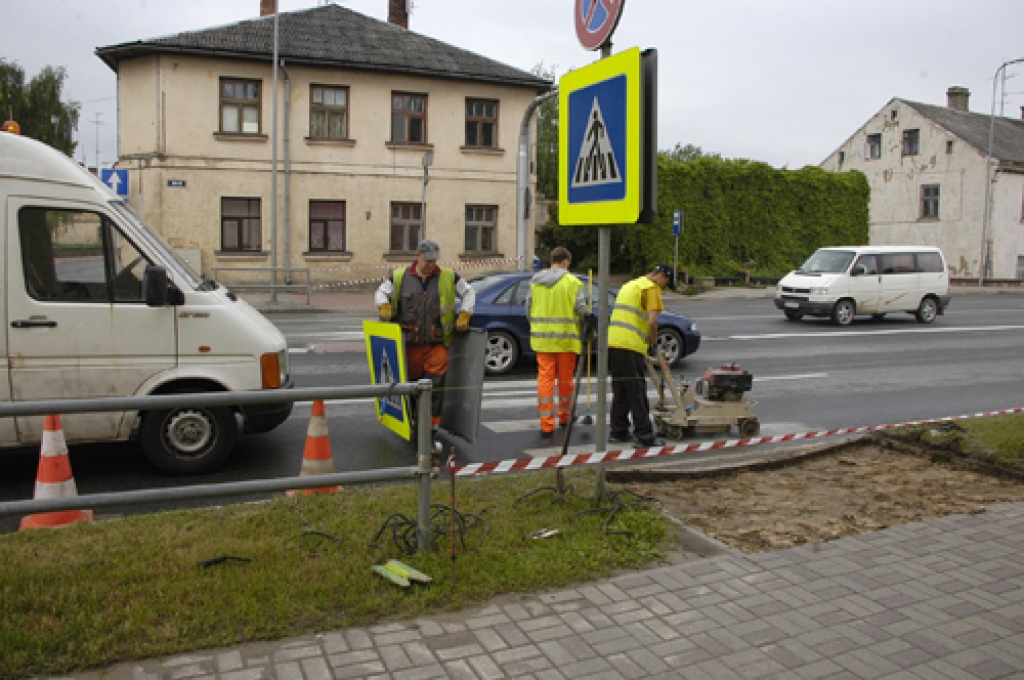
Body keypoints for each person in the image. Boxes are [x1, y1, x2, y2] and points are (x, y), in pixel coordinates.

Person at [375, 239, 475, 444]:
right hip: (409, 345)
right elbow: (381, 292)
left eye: (434, 260)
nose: (432, 264)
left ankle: (429, 432)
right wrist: (384, 306)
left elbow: (469, 292)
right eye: (428, 260)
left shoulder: (448, 276)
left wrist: (465, 313)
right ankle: (413, 423)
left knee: (433, 388)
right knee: (411, 388)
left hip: (437, 344)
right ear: (417, 256)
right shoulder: (400, 277)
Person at [607, 264, 675, 447]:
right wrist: (653, 344)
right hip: (631, 344)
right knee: (637, 391)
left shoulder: (631, 285)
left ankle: (618, 430)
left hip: (614, 342)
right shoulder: (651, 288)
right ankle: (644, 435)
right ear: (661, 276)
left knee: (621, 389)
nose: (664, 288)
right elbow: (652, 321)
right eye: (666, 284)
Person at [527, 246, 592, 438]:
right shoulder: (572, 282)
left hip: (542, 340)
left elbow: (528, 308)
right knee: (565, 380)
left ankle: (546, 424)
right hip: (566, 340)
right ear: (565, 262)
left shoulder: (535, 281)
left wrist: (537, 327)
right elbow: (581, 308)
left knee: (545, 380)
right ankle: (565, 416)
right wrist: (588, 320)